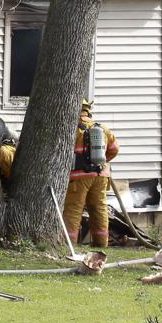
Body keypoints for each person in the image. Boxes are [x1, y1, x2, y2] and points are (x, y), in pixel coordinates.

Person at [62, 99, 119, 247]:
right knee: (99, 209)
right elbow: (114, 149)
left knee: (73, 210)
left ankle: (69, 244)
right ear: (87, 110)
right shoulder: (102, 128)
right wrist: (102, 161)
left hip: (78, 177)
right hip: (100, 176)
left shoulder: (71, 128)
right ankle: (101, 243)